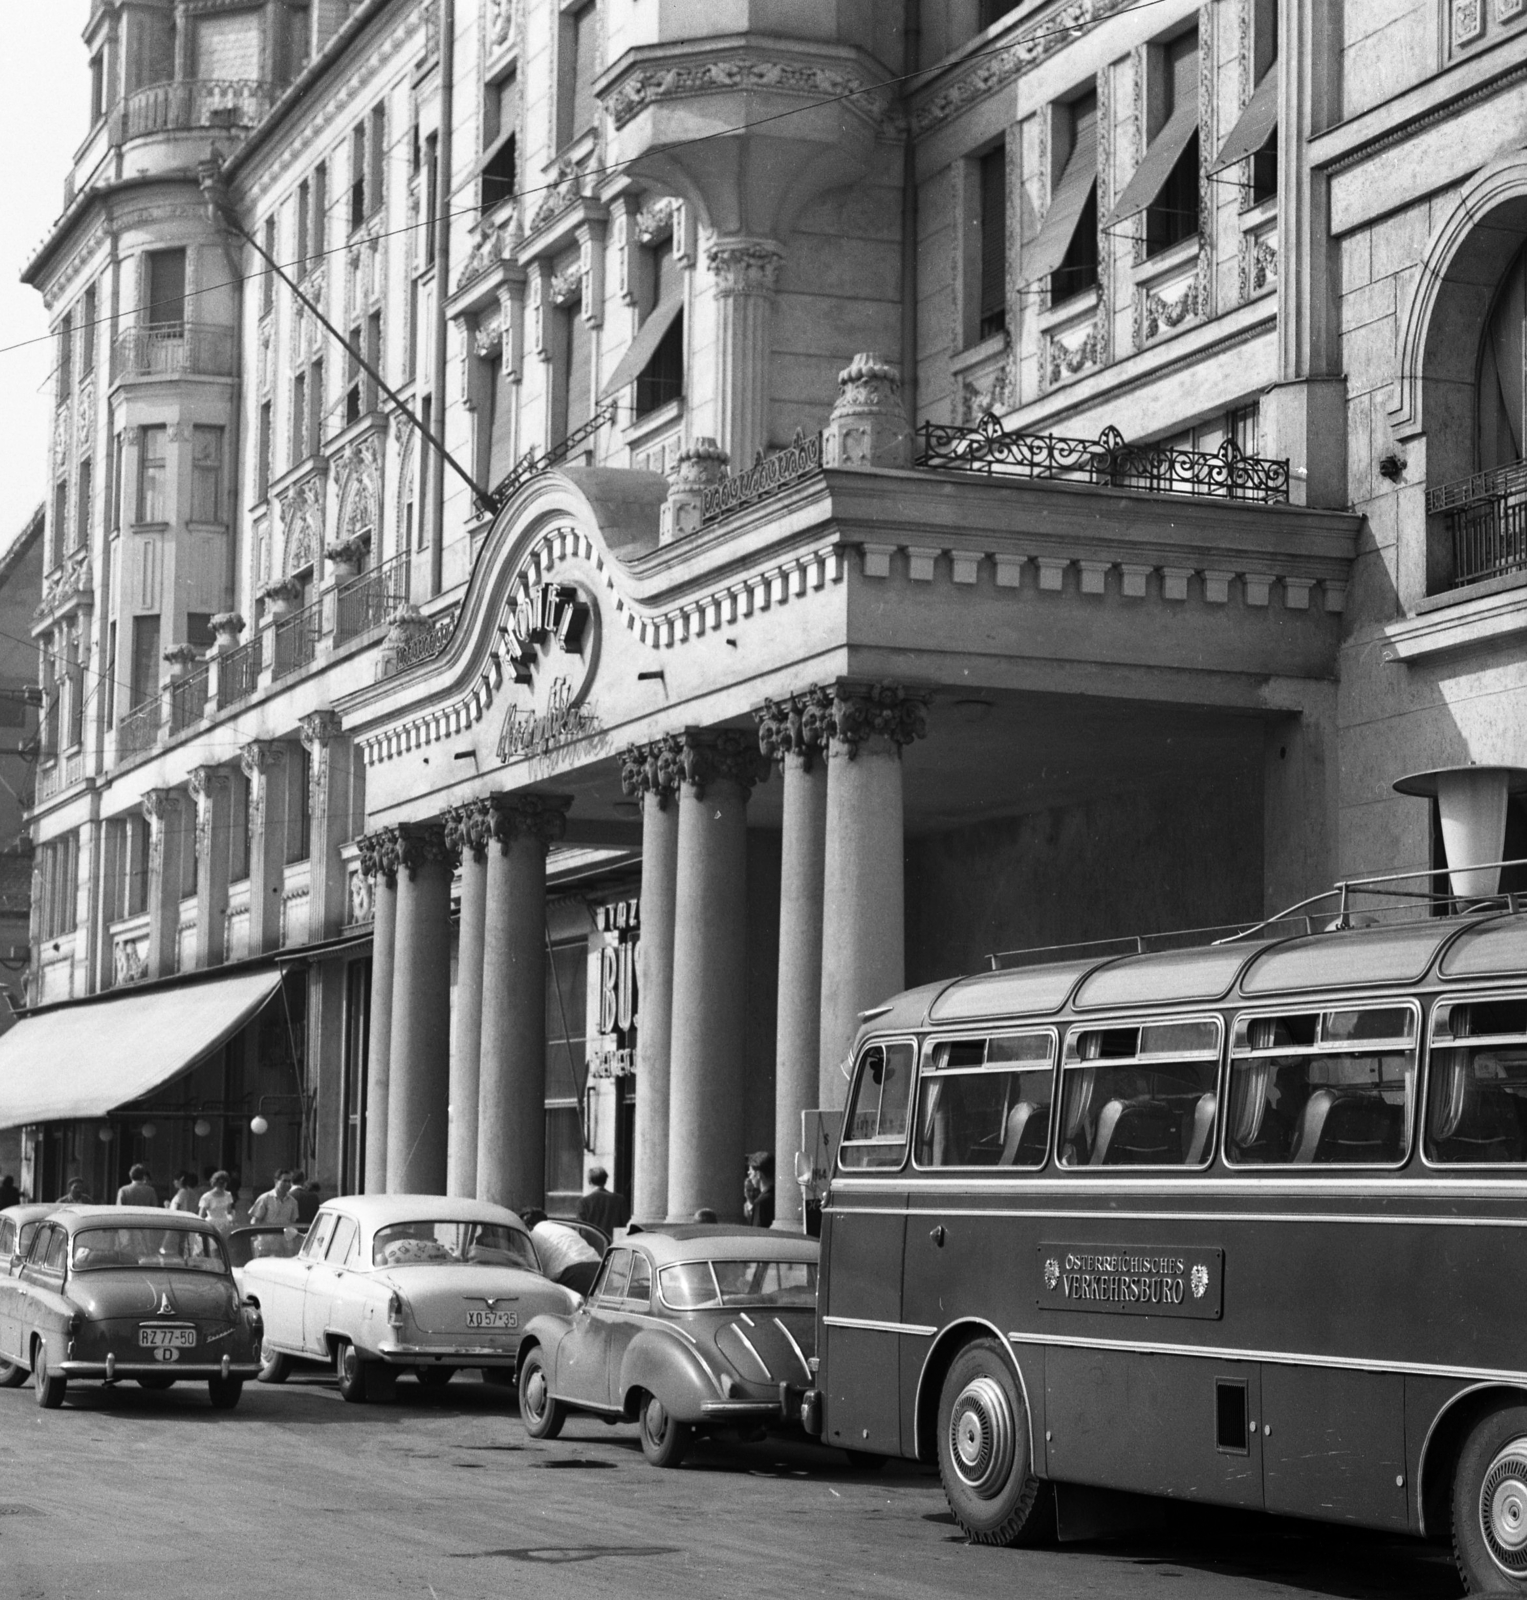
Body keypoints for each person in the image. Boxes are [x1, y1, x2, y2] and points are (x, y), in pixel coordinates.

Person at [529, 1217, 602, 1294]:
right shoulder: (564, 1229)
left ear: (529, 1226)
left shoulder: (533, 1234)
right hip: (598, 1267)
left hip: (572, 1272)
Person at [576, 1167, 630, 1236]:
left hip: (592, 1244)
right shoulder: (620, 1199)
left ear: (589, 1181)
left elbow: (582, 1229)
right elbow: (626, 1225)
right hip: (614, 1243)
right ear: (605, 1181)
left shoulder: (583, 1202)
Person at [743, 1152, 775, 1229]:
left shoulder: (761, 1202)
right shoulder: (778, 1197)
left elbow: (757, 1232)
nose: (750, 1177)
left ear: (758, 1174)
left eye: (750, 1173)